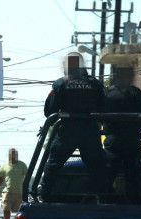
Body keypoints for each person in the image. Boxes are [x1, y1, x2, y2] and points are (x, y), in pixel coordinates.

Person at [38, 51, 108, 201]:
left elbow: (49, 110)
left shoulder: (61, 83)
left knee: (53, 164)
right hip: (90, 131)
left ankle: (44, 193)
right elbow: (104, 109)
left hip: (67, 131)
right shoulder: (95, 84)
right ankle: (103, 196)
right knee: (97, 166)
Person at [103, 67, 141, 203]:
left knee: (108, 174)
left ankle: (104, 199)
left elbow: (95, 114)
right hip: (130, 141)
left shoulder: (107, 93)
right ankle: (133, 200)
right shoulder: (136, 93)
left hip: (113, 140)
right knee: (132, 174)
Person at [0, 148, 27, 219]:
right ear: (9, 155)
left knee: (18, 211)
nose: (13, 155)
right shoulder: (4, 166)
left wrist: (26, 189)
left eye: (15, 154)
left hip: (19, 192)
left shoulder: (22, 165)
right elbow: (0, 177)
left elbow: (27, 176)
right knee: (6, 208)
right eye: (12, 154)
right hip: (7, 191)